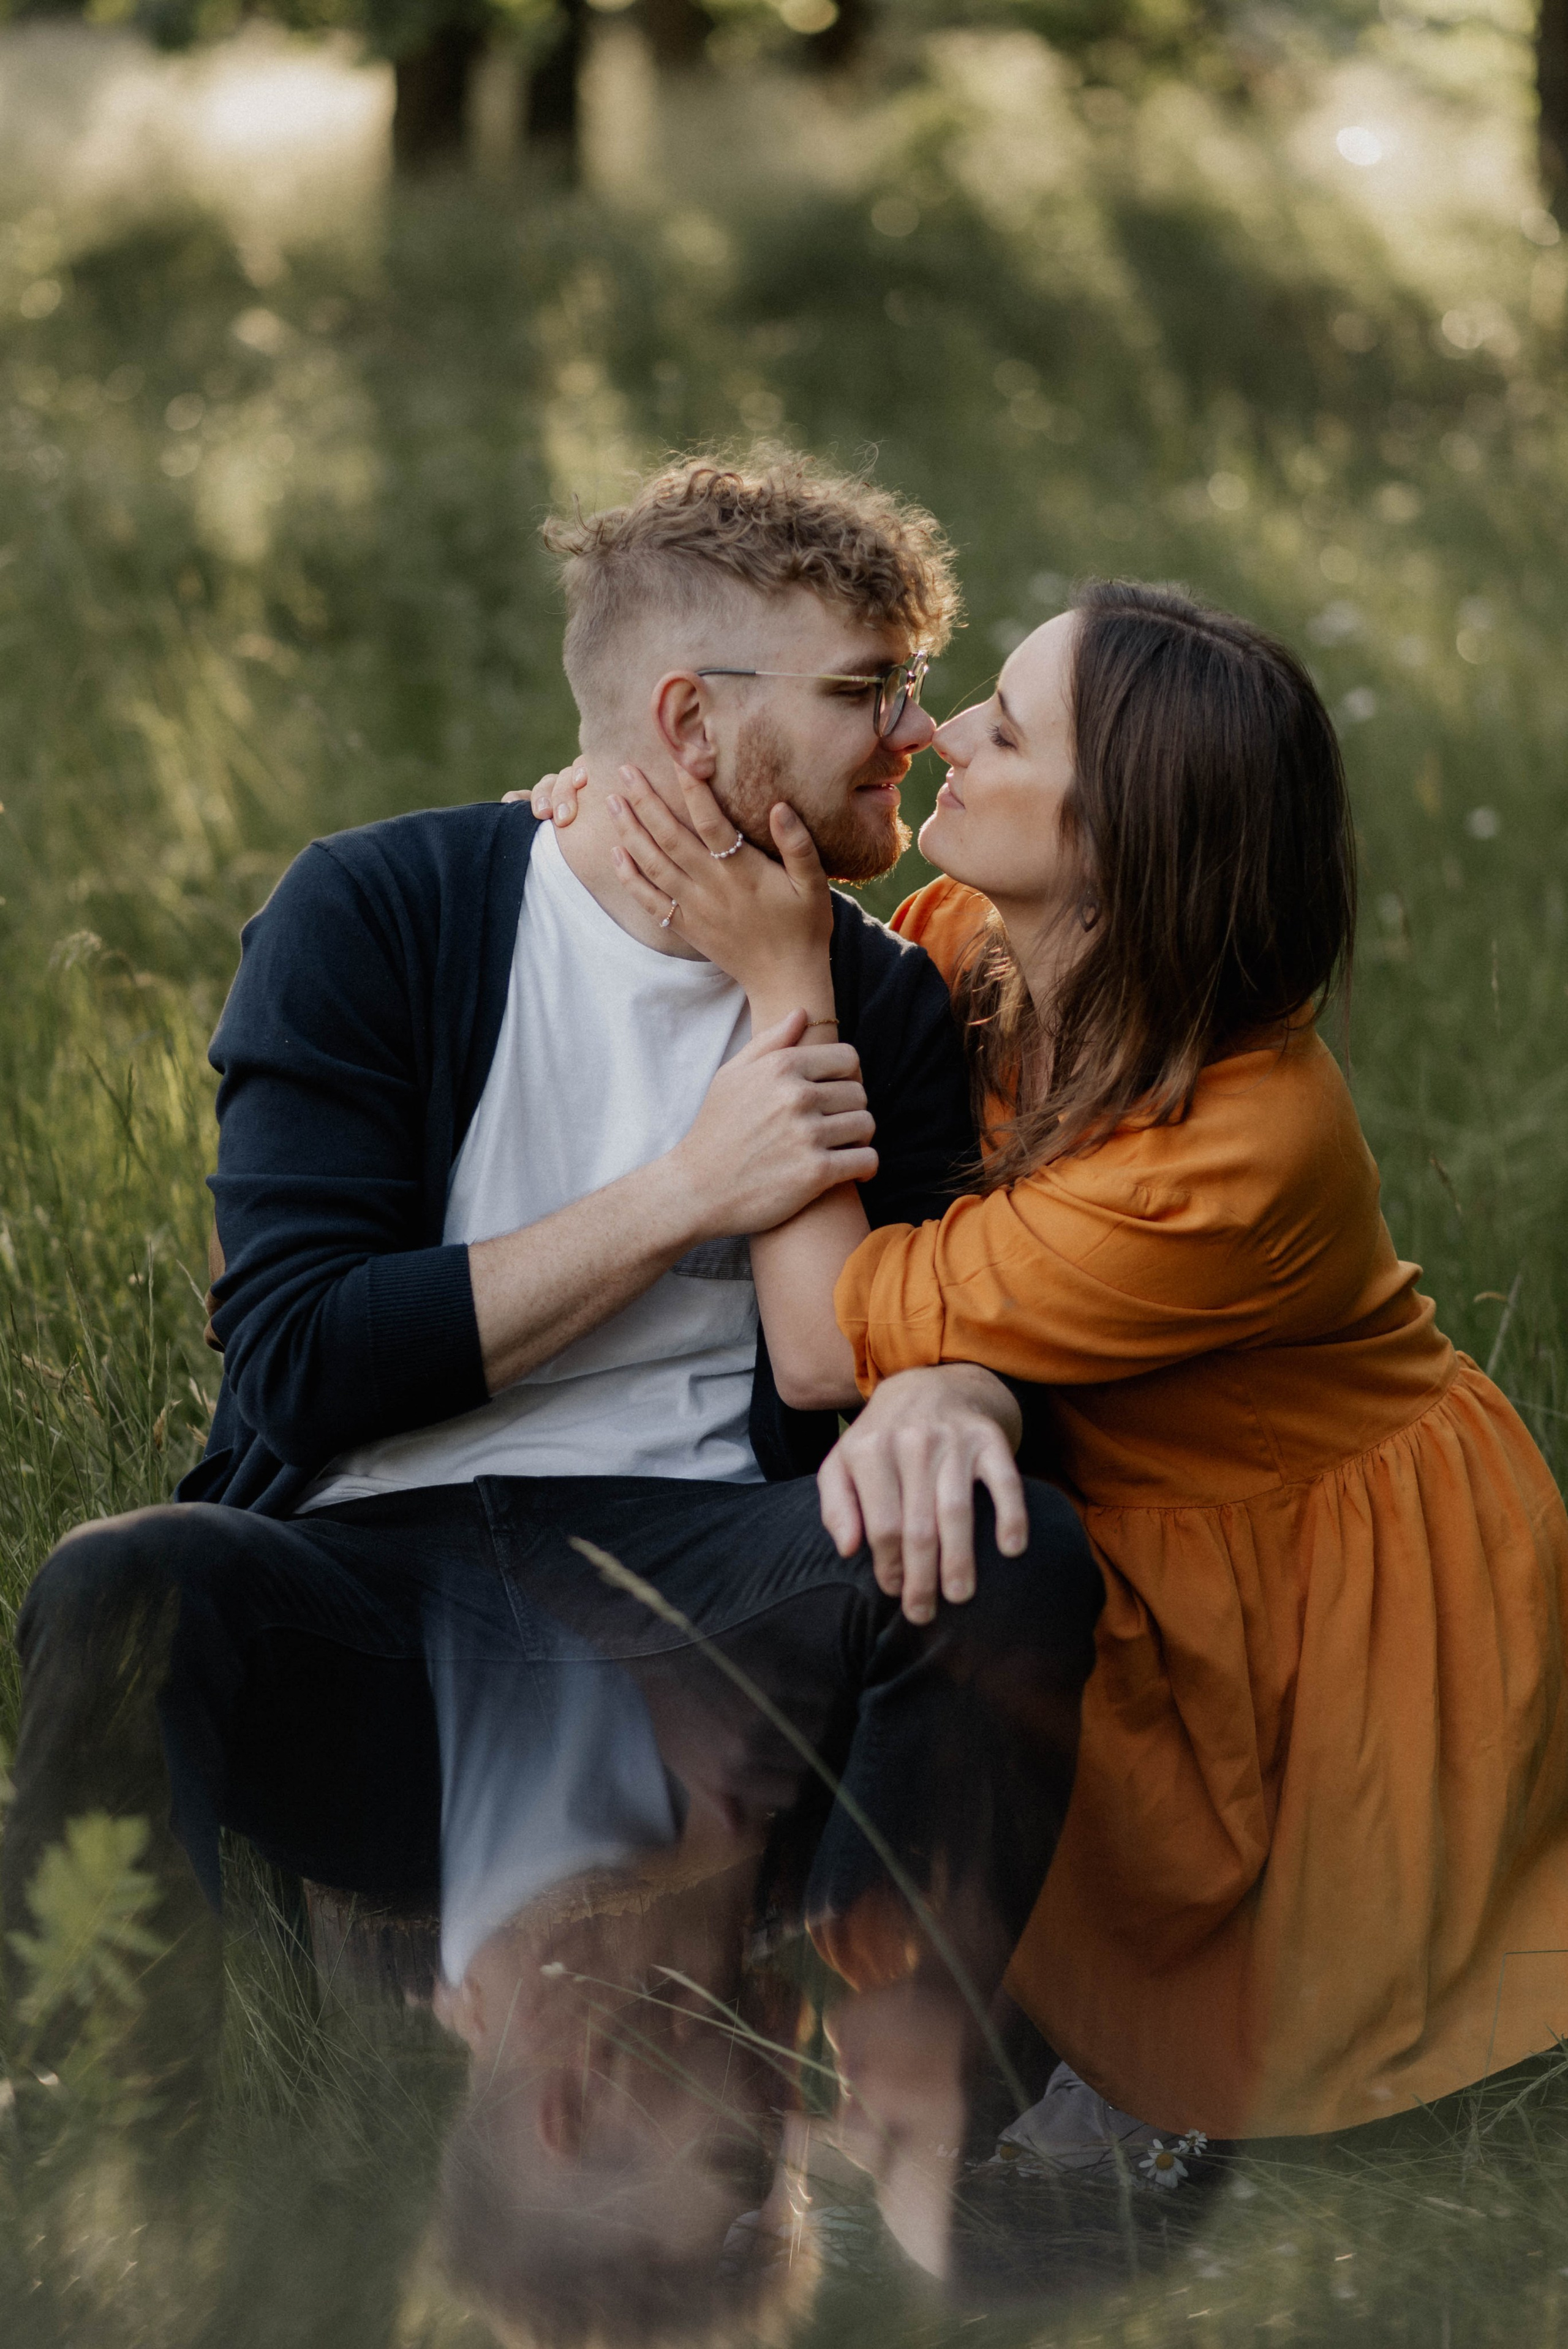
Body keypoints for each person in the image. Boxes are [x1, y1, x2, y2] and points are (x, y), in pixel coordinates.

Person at [1, 457, 1101, 2073]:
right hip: (378, 1601)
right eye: (869, 690)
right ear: (686, 722)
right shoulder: (378, 912)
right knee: (127, 1580)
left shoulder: (877, 998)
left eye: (917, 688)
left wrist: (949, 1403)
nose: (915, 735)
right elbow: (299, 1358)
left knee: (1006, 1543)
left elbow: (913, 1312)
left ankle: (898, 2108)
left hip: (702, 1607)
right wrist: (682, 1194)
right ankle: (98, 2131)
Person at [570, 574, 1568, 2144]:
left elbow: (829, 1334)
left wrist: (780, 993)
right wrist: (625, 814)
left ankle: (1087, 2081)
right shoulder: (990, 936)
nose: (946, 728)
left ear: (1114, 847)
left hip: (1296, 1580)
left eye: (1007, 731)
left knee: (1241, 2045)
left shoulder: (1238, 1153)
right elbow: (905, 1176)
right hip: (1100, 1487)